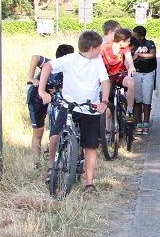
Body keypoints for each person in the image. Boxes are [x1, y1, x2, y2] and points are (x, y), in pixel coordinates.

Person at [38, 30, 110, 194]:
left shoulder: (97, 60)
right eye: (99, 47)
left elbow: (105, 81)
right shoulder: (70, 59)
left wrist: (103, 102)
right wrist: (42, 91)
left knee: (90, 146)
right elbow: (47, 66)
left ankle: (89, 183)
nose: (100, 51)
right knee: (55, 137)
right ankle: (52, 168)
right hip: (69, 106)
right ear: (92, 48)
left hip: (89, 108)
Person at [26, 44, 74, 168]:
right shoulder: (52, 64)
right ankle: (36, 163)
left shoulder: (72, 69)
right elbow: (35, 57)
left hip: (56, 99)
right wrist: (31, 77)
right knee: (38, 131)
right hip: (37, 98)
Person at [101, 26, 137, 123]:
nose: (129, 43)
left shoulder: (125, 48)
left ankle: (129, 111)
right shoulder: (104, 47)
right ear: (121, 41)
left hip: (119, 75)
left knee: (132, 82)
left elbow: (129, 58)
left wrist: (131, 66)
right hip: (107, 77)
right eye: (128, 41)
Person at [131, 25, 157, 135]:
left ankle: (146, 123)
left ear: (141, 37)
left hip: (148, 73)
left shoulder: (149, 43)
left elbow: (152, 54)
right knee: (137, 99)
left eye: (136, 35)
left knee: (147, 99)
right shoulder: (131, 44)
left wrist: (139, 55)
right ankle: (138, 123)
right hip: (136, 73)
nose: (134, 37)